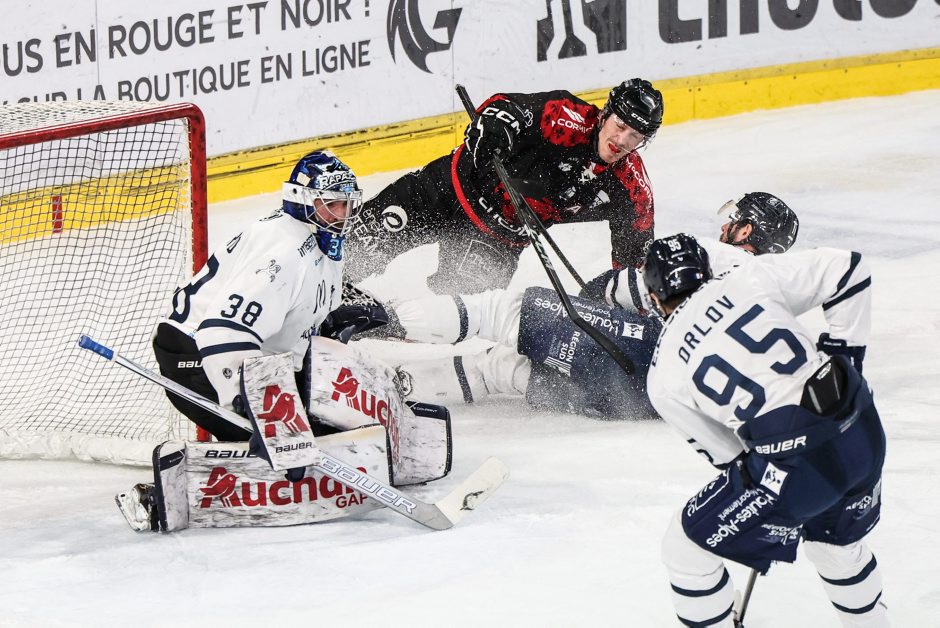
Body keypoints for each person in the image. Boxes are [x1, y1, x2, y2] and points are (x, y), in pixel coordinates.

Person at [372, 193, 798, 420]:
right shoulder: (775, 301)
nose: (725, 225)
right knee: (503, 369)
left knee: (501, 311)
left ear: (748, 231)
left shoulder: (719, 255)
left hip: (629, 350)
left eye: (735, 220)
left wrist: (587, 301)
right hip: (639, 402)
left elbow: (625, 289)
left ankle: (378, 320)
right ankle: (393, 389)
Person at [643, 233, 887, 626]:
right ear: (705, 268)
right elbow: (850, 269)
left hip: (797, 465)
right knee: (835, 548)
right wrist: (844, 363)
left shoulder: (662, 376)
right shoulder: (747, 276)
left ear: (656, 298)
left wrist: (787, 490)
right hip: (863, 427)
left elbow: (731, 458)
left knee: (684, 550)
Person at [344, 79, 663, 295]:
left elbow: (633, 272)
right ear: (605, 114)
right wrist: (494, 129)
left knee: (452, 319)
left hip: (497, 241)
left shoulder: (631, 189)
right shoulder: (564, 117)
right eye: (620, 125)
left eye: (635, 136)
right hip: (445, 191)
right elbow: (505, 107)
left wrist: (621, 302)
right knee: (352, 249)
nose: (622, 140)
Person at [151, 150, 363, 441]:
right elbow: (222, 333)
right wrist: (254, 410)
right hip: (199, 354)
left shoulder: (320, 239)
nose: (341, 215)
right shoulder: (284, 251)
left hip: (250, 354)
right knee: (297, 440)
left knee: (327, 427)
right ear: (301, 200)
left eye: (347, 204)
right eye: (331, 204)